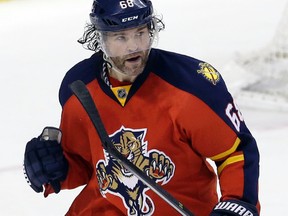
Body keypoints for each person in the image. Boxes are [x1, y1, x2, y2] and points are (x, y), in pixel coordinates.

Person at [23, 0, 261, 215]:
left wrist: (237, 205)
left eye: (141, 33)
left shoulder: (192, 87)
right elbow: (86, 163)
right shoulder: (79, 87)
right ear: (100, 38)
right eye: (121, 37)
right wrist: (52, 169)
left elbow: (235, 152)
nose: (133, 47)